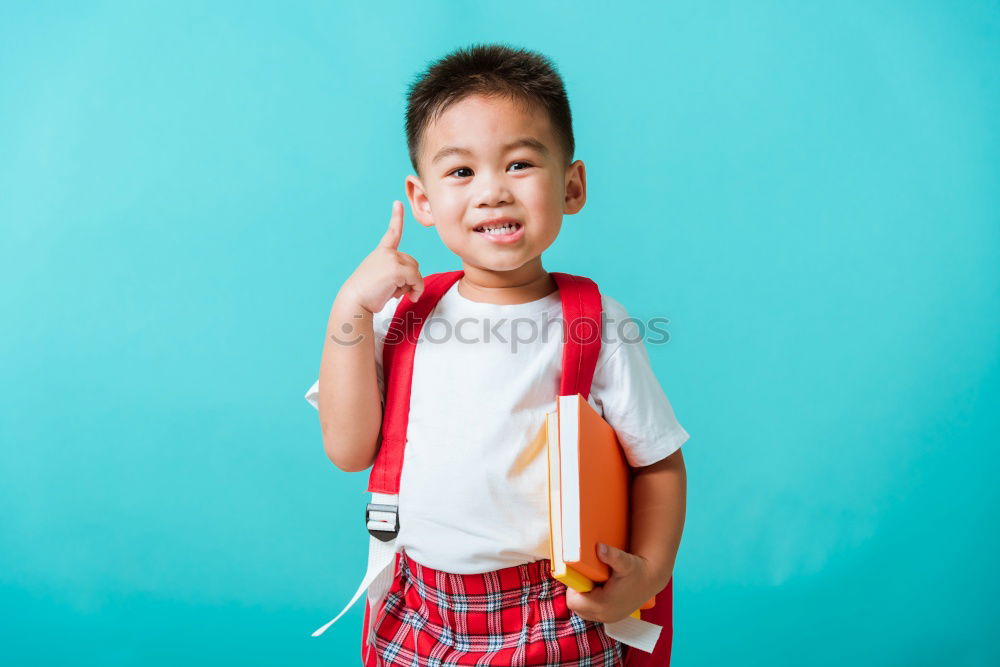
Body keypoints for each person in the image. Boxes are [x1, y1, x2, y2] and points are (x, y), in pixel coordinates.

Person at [304, 42, 690, 666]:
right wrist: (350, 309)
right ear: (423, 200)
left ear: (571, 186)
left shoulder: (597, 325)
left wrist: (647, 572)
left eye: (518, 165)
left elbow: (658, 464)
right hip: (422, 605)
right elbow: (349, 451)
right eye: (461, 172)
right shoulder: (402, 320)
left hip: (558, 612)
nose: (492, 193)